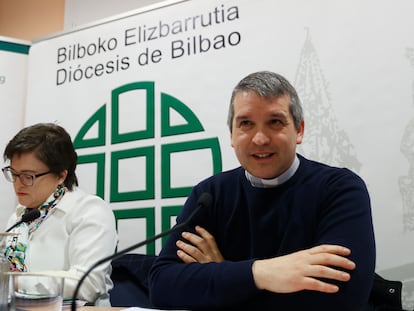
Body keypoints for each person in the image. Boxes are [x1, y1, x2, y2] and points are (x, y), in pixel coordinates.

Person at [148, 71, 376, 310]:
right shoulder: (209, 195)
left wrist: (224, 276)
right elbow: (162, 286)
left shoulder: (340, 189)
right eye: (246, 123)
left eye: (275, 122)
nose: (259, 139)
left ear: (299, 130)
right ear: (232, 135)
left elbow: (342, 300)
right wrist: (261, 273)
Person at [1, 122, 118, 306]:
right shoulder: (18, 218)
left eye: (28, 176)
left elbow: (88, 284)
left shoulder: (89, 210)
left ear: (61, 175)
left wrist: (12, 281)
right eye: (13, 174)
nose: (18, 184)